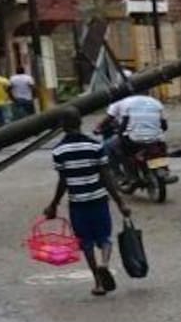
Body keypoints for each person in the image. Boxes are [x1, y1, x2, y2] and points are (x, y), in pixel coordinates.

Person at [45, 110, 129, 296]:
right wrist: (120, 202)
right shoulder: (95, 146)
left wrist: (54, 205)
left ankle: (98, 283)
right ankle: (104, 263)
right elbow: (107, 176)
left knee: (86, 242)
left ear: (62, 126)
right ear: (80, 122)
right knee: (105, 238)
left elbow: (63, 181)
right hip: (98, 200)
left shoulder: (59, 151)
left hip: (78, 204)